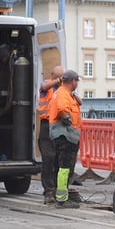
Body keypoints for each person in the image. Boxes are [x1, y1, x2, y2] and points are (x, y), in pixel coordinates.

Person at [49, 69, 83, 209]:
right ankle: (62, 199)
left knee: (62, 166)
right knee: (65, 167)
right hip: (65, 135)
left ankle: (61, 194)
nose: (77, 83)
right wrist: (70, 127)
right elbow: (63, 111)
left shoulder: (67, 94)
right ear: (72, 81)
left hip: (65, 135)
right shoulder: (63, 94)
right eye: (76, 81)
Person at [36, 65, 64, 205]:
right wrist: (59, 80)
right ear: (53, 75)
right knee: (48, 159)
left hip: (59, 125)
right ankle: (48, 190)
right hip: (47, 125)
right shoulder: (45, 84)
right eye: (59, 76)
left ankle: (59, 190)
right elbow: (46, 86)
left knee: (59, 159)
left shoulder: (62, 89)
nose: (61, 79)